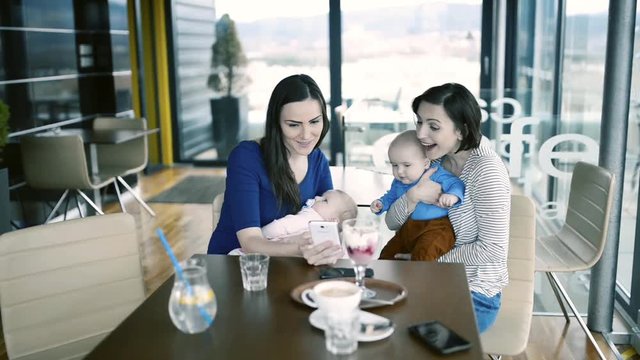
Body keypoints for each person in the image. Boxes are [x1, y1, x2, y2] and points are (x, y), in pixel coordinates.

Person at [384, 83, 510, 333]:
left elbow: (492, 249)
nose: (420, 134)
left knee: (401, 332)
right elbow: (393, 223)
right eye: (419, 122)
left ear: (461, 131)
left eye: (433, 126)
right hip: (427, 276)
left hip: (473, 293)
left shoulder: (487, 172)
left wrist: (429, 261)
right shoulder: (434, 159)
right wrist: (413, 196)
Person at [207, 74, 344, 265]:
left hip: (287, 266)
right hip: (232, 267)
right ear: (276, 124)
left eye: (314, 122)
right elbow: (249, 242)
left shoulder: (318, 160)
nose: (306, 135)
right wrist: (298, 249)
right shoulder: (246, 157)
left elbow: (326, 222)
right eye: (294, 125)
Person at [371, 130, 464, 261]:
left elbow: (455, 183)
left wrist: (452, 196)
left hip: (436, 227)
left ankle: (420, 280)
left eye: (407, 165)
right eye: (394, 165)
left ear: (426, 163)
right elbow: (390, 196)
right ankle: (381, 280)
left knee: (425, 254)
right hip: (408, 228)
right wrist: (381, 203)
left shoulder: (435, 173)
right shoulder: (398, 182)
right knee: (387, 254)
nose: (400, 171)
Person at [228, 189, 357, 255]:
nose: (317, 197)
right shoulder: (330, 237)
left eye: (324, 200)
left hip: (265, 250)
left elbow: (280, 227)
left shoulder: (311, 217)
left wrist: (262, 233)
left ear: (333, 220)